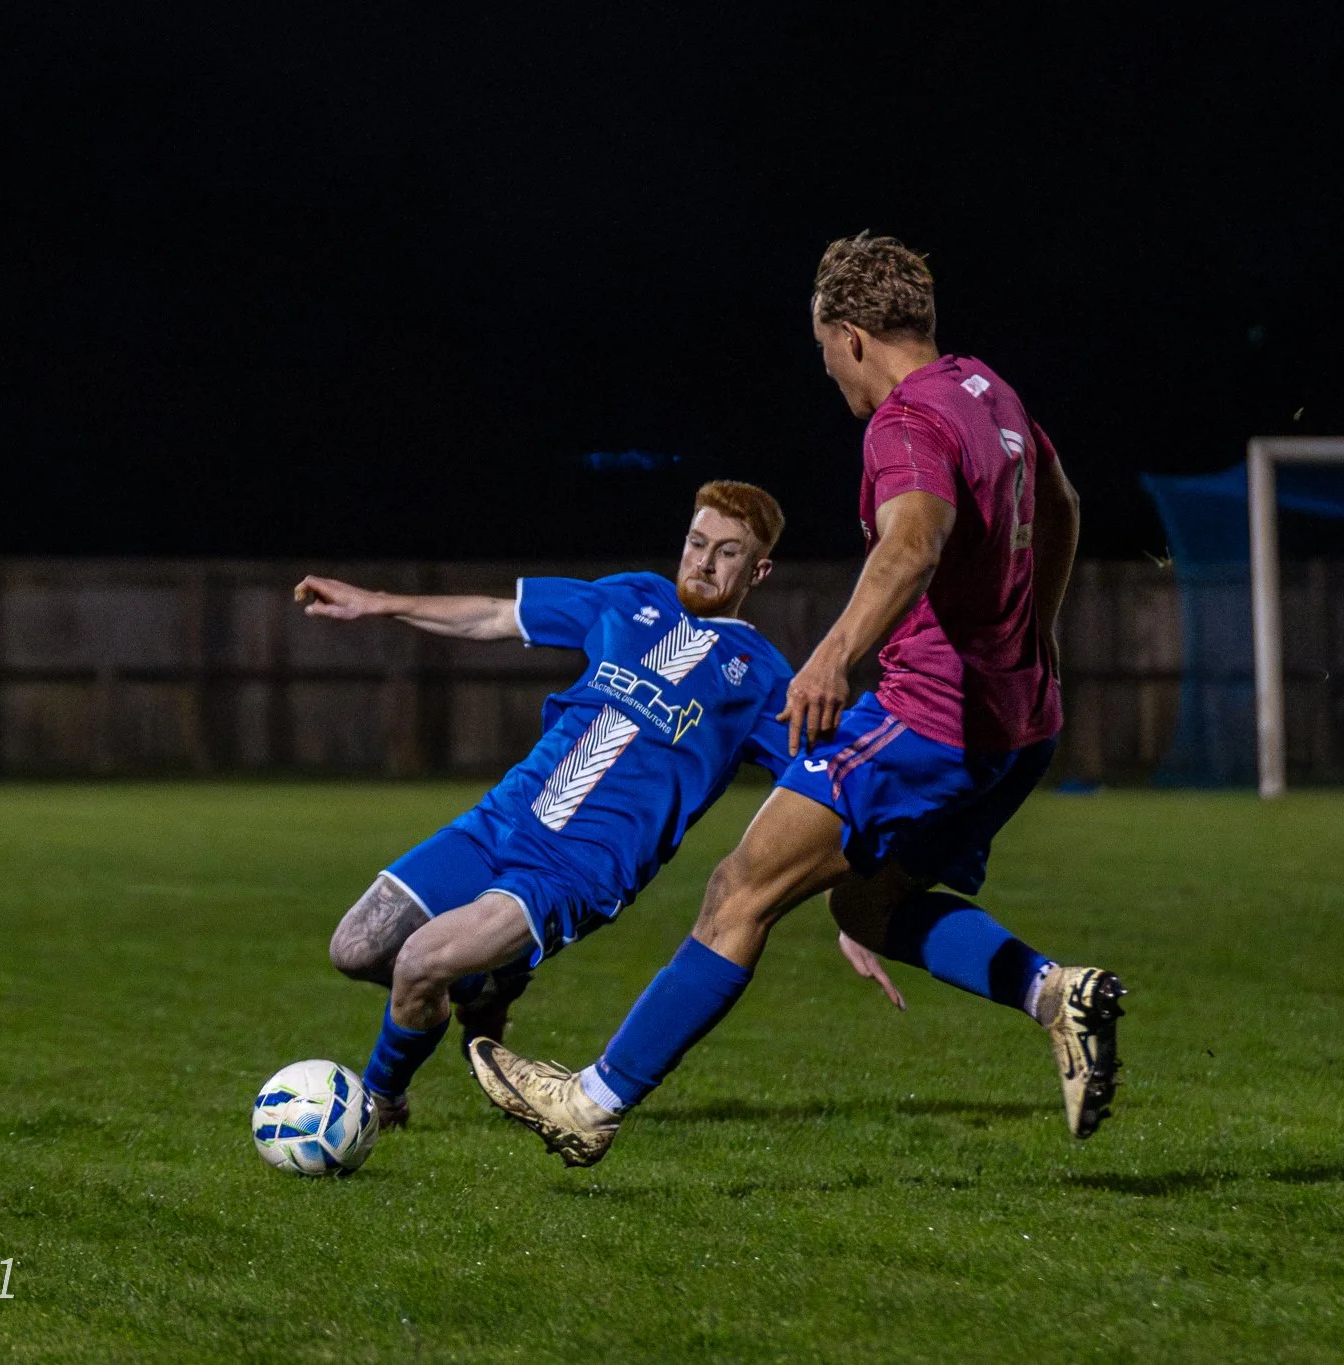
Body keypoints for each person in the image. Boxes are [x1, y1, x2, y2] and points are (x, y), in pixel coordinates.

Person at [469, 233, 1125, 1167]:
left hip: (925, 719)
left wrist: (829, 658)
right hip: (1020, 726)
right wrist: (1039, 631)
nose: (827, 371)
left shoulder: (904, 423)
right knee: (866, 906)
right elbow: (1057, 498)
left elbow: (911, 545)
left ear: (851, 335)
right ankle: (1055, 993)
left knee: (740, 889)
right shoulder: (989, 391)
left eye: (823, 349)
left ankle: (592, 1101)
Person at [301, 481, 897, 1135]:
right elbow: (494, 616)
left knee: (420, 962)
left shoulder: (762, 679)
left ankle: (379, 1104)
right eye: (696, 542)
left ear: (757, 570)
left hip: (576, 867)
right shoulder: (630, 598)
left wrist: (852, 907)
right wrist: (376, 603)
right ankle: (487, 987)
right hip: (501, 818)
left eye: (726, 552)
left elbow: (821, 800)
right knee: (354, 948)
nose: (702, 561)